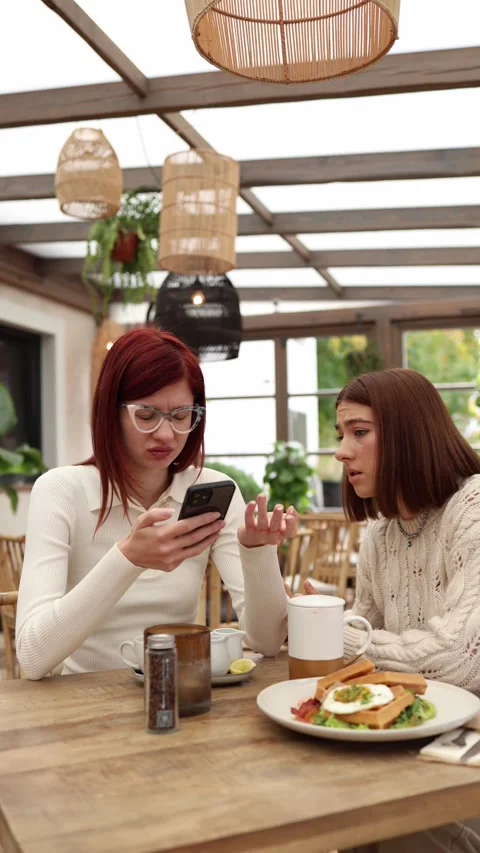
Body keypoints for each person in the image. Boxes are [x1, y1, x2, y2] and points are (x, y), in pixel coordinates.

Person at [16, 327, 297, 680]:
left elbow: (267, 642)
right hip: (84, 701)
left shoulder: (210, 489)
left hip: (181, 693)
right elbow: (32, 657)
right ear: (111, 412)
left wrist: (257, 552)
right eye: (146, 415)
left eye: (180, 416)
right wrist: (128, 558)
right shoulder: (60, 490)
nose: (166, 435)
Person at [304, 368, 480, 853]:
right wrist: (325, 621)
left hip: (465, 742)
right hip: (416, 732)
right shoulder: (380, 533)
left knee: (357, 812)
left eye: (359, 432)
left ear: (408, 432)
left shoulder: (473, 506)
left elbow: (461, 658)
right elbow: (361, 648)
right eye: (341, 435)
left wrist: (332, 631)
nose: (341, 452)